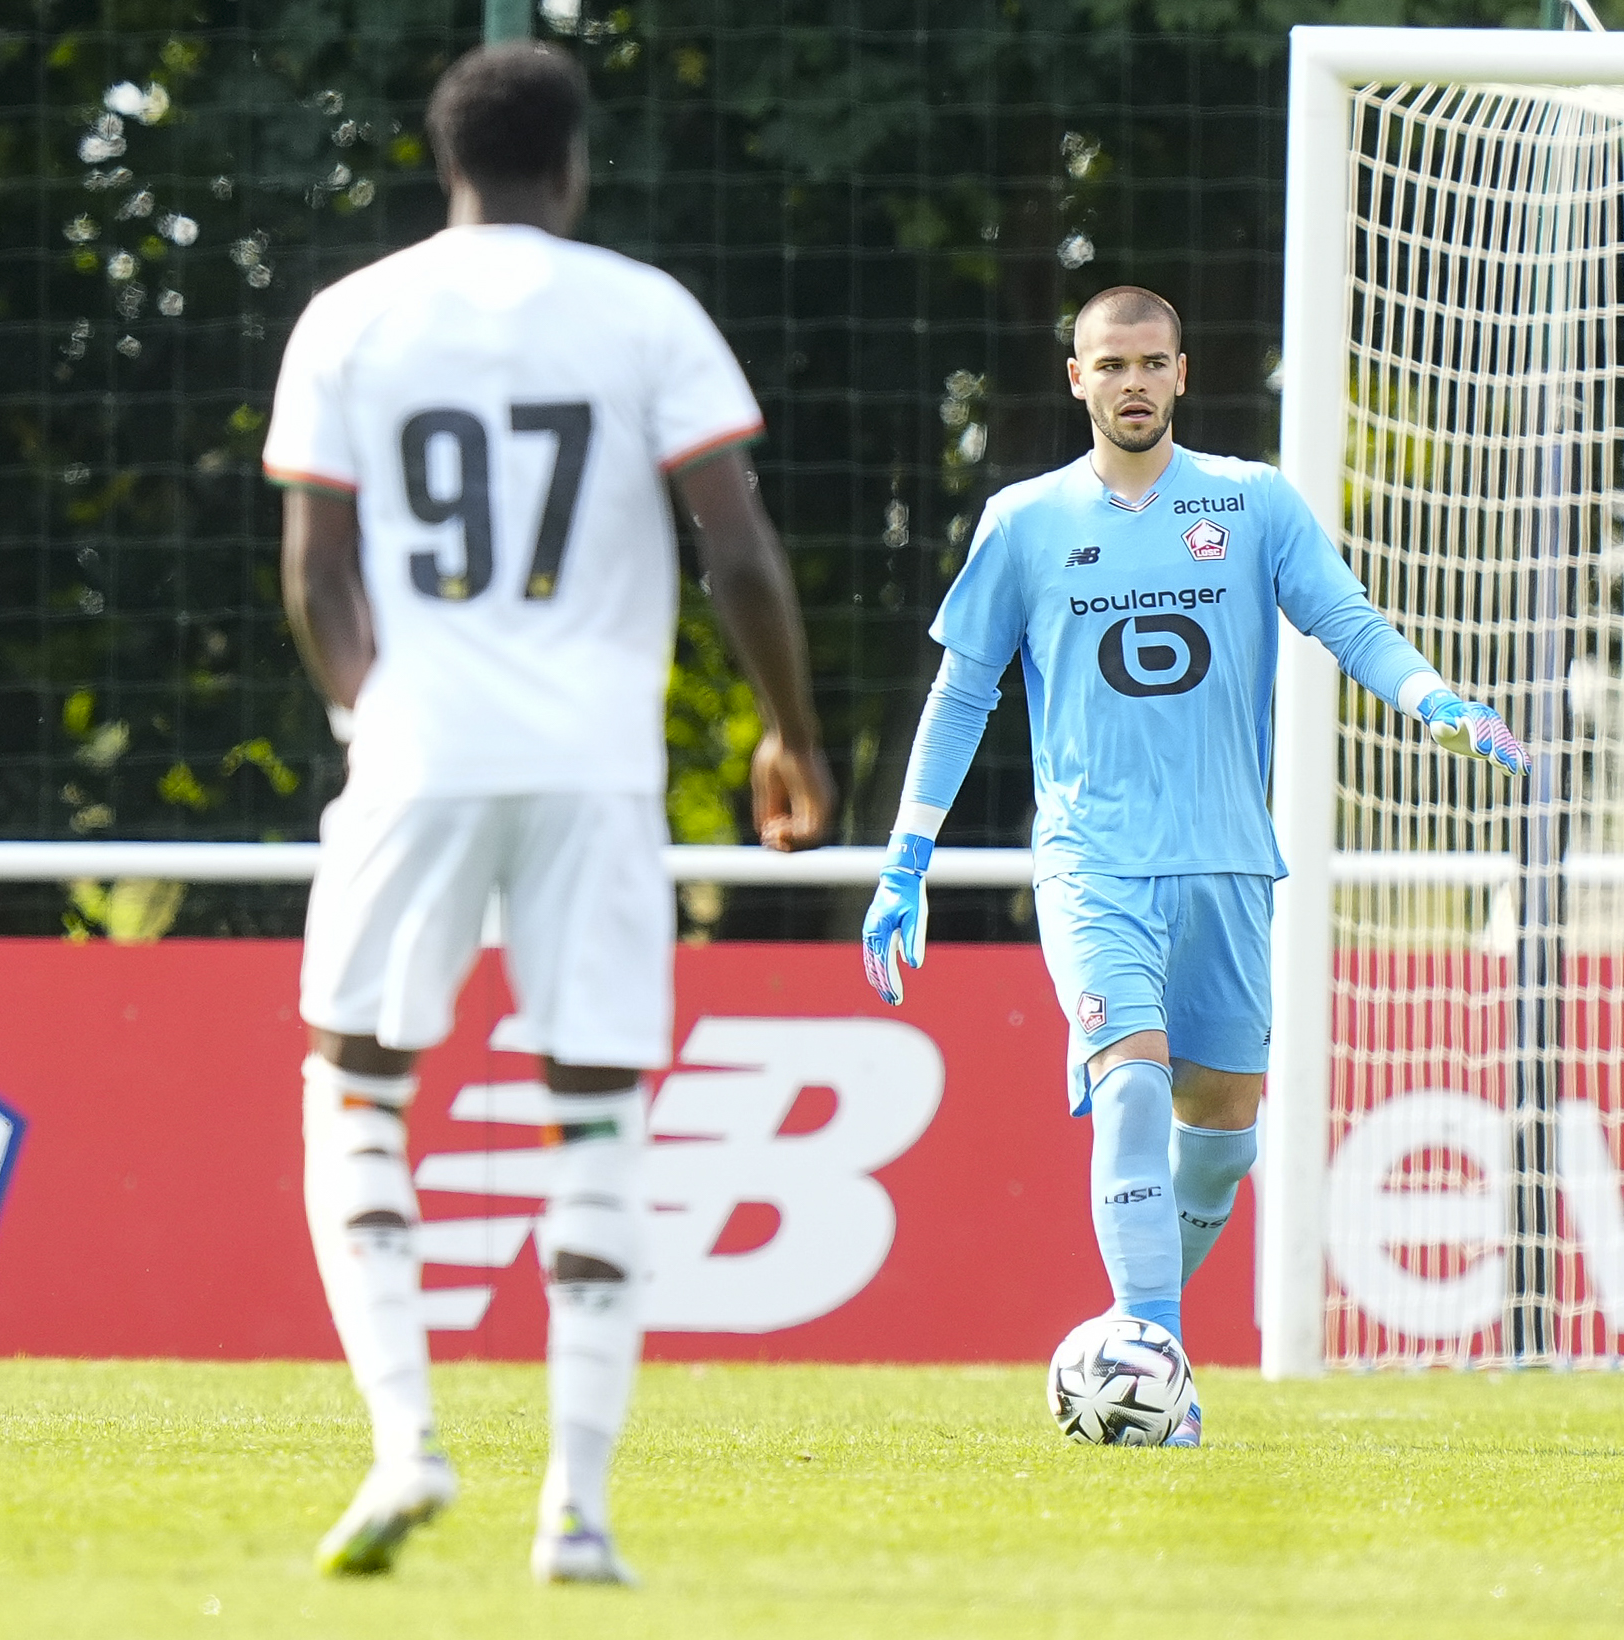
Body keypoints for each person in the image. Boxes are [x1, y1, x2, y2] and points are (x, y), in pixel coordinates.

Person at [263, 41, 831, 1583]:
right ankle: (575, 1512)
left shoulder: (352, 316)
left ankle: (405, 1444)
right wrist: (791, 733)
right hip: (595, 765)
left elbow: (317, 568)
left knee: (358, 1088)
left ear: (441, 160)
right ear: (571, 163)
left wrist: (368, 721)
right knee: (592, 1117)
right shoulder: (644, 312)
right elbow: (741, 547)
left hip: (420, 752)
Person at [859, 286, 1521, 1444]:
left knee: (1219, 1131)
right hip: (1092, 860)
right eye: (1109, 363)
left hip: (1226, 863)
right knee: (1130, 1081)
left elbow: (1348, 619)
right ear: (1076, 377)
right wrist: (906, 855)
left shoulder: (1251, 503)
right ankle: (1151, 1344)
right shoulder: (1023, 520)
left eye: (1151, 362)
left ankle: (1146, 1329)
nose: (1132, 382)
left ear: (1181, 373)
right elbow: (964, 689)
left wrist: (1435, 700)